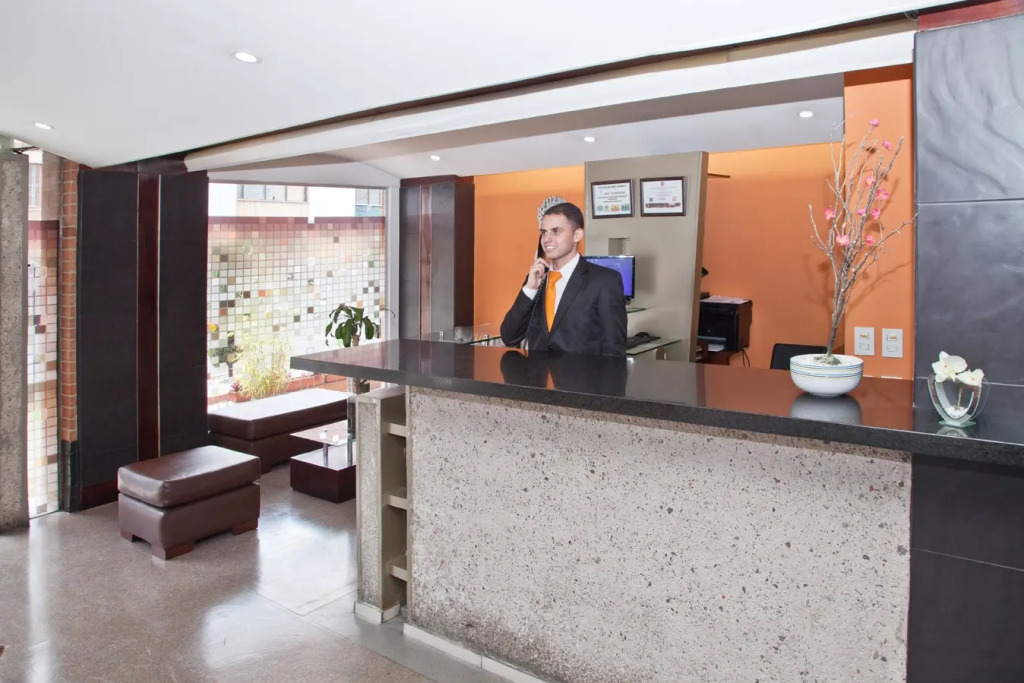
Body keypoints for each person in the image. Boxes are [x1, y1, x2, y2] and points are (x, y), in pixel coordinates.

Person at [500, 202, 627, 357]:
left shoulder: (604, 281)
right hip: (536, 372)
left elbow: (614, 351)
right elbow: (509, 337)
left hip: (583, 373)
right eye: (544, 232)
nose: (547, 239)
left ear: (577, 235)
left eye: (556, 231)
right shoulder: (536, 280)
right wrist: (529, 289)